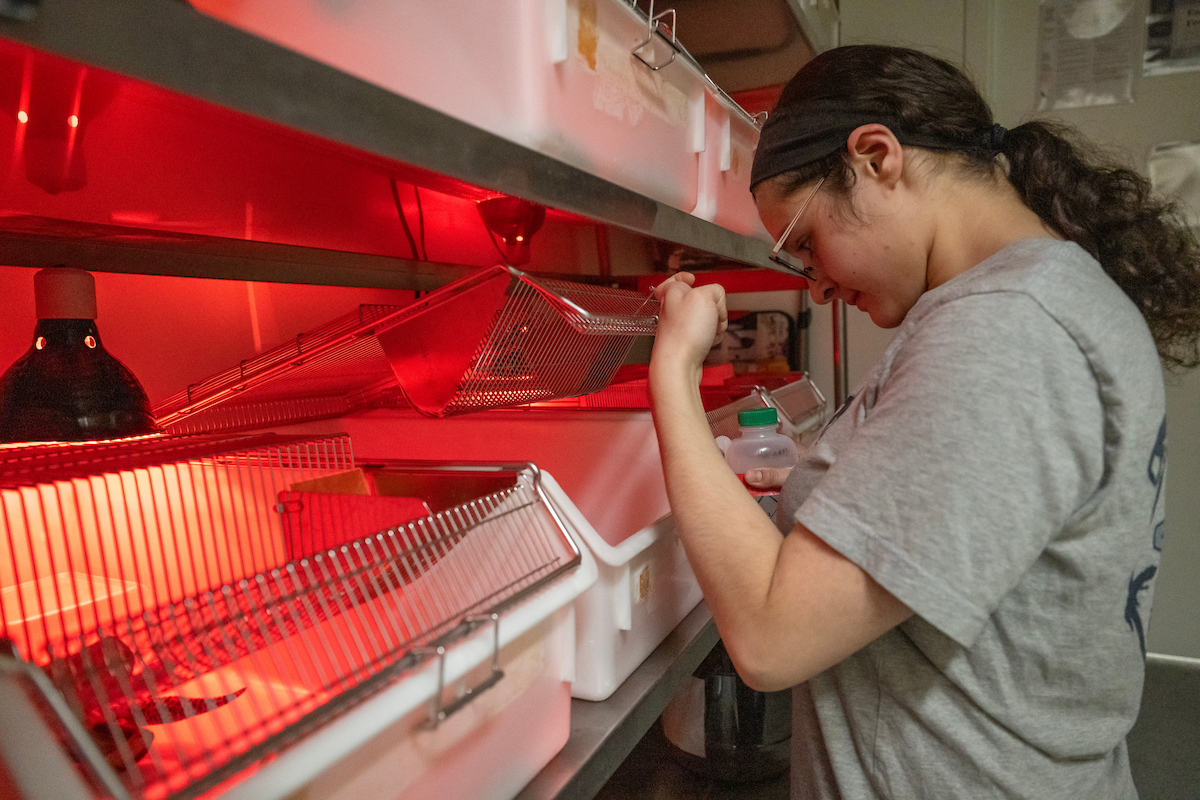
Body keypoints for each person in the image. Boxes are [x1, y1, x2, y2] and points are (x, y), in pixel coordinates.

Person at [648, 44, 1200, 799]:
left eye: (805, 243)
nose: (815, 287)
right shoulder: (1037, 301)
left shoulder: (1004, 335)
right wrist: (837, 493)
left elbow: (772, 641)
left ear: (876, 157)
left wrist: (673, 375)